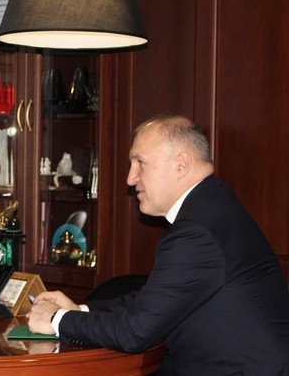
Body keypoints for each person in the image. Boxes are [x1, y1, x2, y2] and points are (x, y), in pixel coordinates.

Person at [27, 114, 289, 375]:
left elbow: (134, 332)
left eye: (140, 163)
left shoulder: (197, 230)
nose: (130, 178)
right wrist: (79, 309)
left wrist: (56, 319)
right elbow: (152, 301)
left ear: (181, 164)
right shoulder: (210, 207)